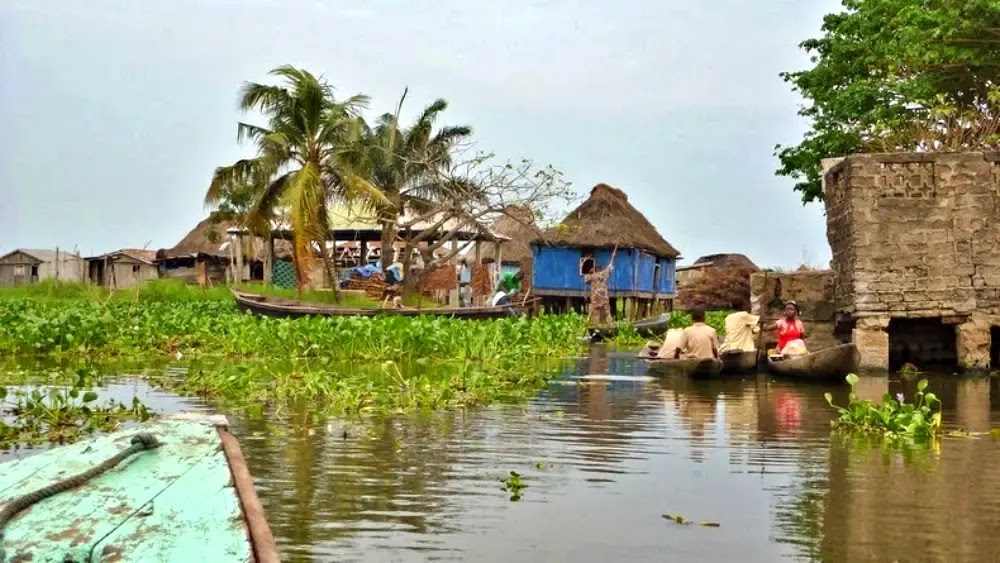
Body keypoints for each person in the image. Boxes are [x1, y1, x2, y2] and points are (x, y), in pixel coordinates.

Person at [584, 262, 613, 326]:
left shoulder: (592, 276)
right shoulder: (604, 274)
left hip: (596, 298)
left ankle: (596, 326)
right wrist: (610, 264)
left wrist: (589, 272)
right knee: (607, 312)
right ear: (600, 269)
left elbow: (586, 280)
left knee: (596, 312)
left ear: (594, 270)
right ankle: (610, 325)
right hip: (604, 297)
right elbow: (610, 269)